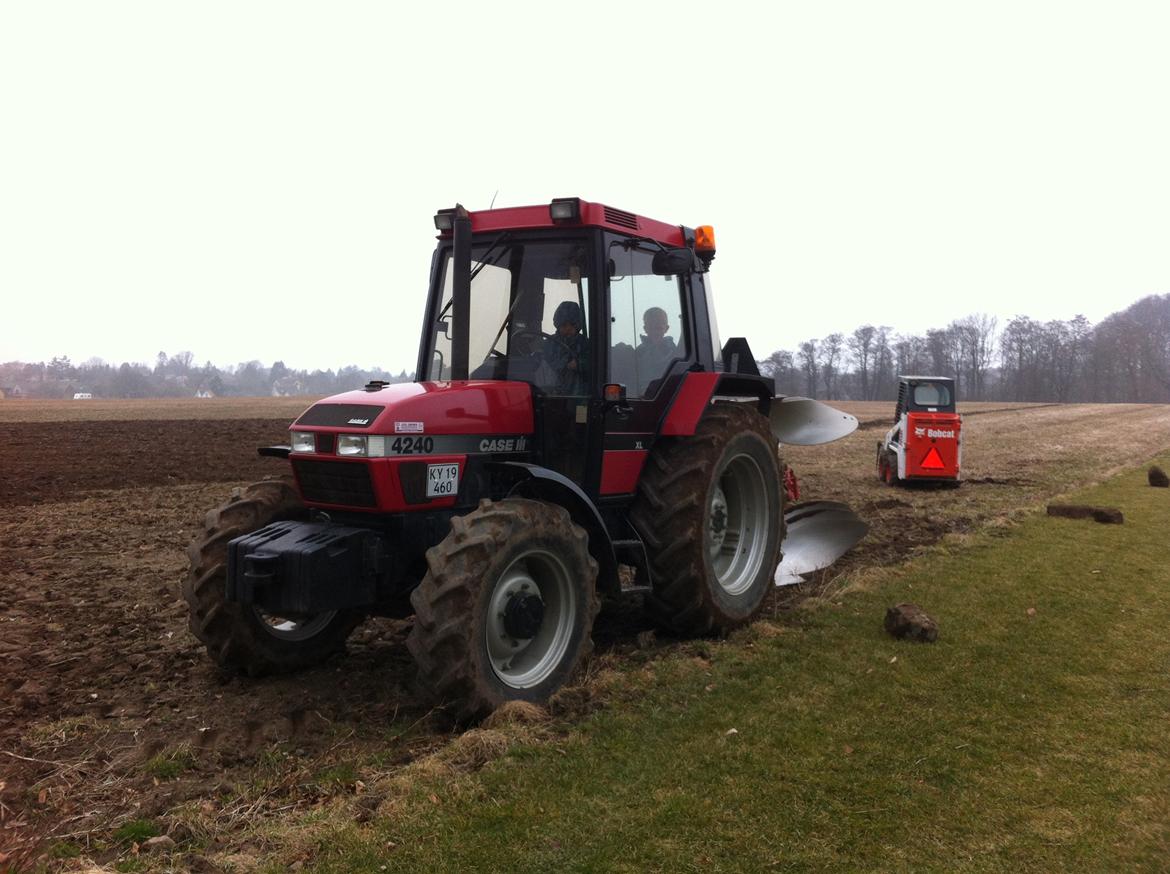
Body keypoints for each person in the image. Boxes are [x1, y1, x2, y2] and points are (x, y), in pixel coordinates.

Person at [539, 300, 589, 395]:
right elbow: (541, 361)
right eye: (564, 325)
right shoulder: (549, 343)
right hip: (550, 391)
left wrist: (579, 364)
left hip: (576, 394)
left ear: (578, 325)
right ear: (558, 325)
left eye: (572, 325)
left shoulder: (584, 344)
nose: (568, 328)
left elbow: (594, 363)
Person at [635, 306, 678, 394]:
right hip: (643, 393)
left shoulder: (674, 351)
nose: (655, 331)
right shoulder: (639, 352)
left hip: (666, 393)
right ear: (645, 329)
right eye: (651, 327)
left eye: (658, 328)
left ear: (666, 328)